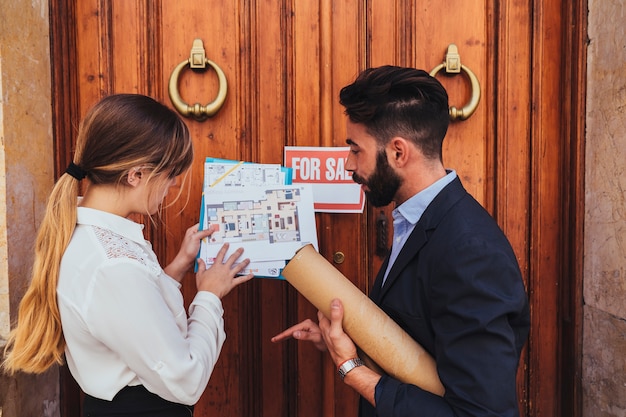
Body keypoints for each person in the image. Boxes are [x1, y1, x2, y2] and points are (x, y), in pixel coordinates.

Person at [272, 66, 530, 417]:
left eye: (355, 149)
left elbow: (480, 413)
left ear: (398, 152)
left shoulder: (471, 251)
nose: (348, 165)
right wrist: (350, 344)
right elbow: (421, 346)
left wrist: (351, 368)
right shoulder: (418, 219)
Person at [2, 94, 254, 416]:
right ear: (135, 175)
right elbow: (186, 379)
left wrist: (176, 267)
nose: (174, 183)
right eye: (170, 172)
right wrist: (209, 295)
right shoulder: (112, 264)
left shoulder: (96, 239)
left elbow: (129, 314)